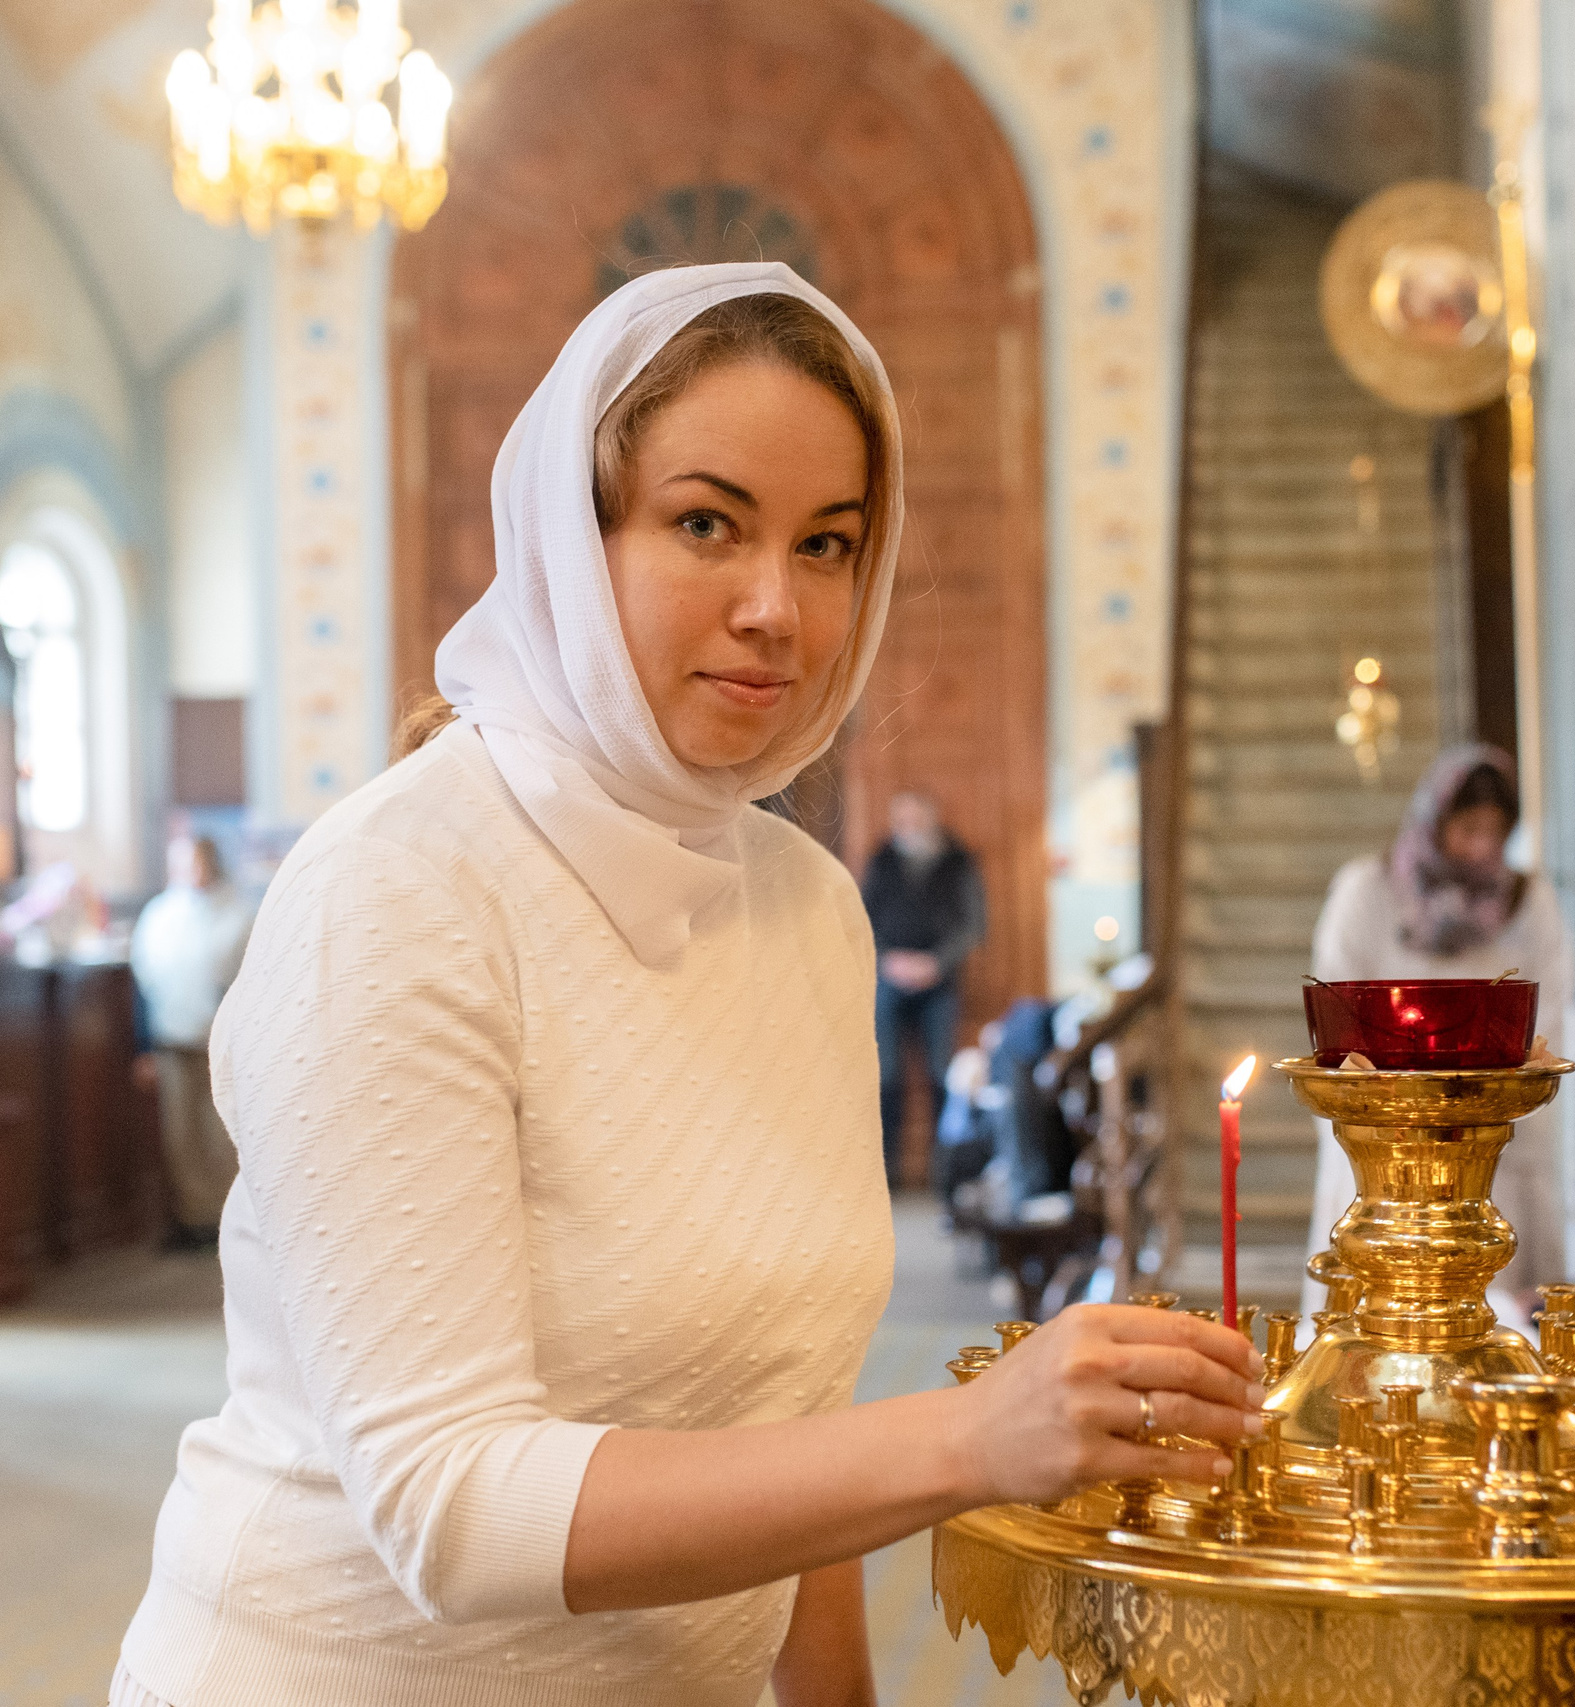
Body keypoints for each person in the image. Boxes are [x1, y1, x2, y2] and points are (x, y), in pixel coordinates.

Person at [112, 266, 1257, 1707]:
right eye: (706, 522)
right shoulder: (397, 890)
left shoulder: (810, 907)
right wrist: (968, 1438)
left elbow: (787, 1410)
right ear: (569, 544)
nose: (778, 607)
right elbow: (449, 1505)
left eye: (829, 543)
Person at [1300, 744, 1575, 1320]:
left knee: (1493, 1312)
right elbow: (1338, 1009)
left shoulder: (1529, 902)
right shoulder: (1368, 891)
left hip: (1489, 1125)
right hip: (1384, 1128)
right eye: (1468, 828)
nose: (1481, 847)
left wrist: (1471, 1088)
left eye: (1495, 832)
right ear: (1434, 821)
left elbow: (1544, 1013)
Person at [128, 833, 256, 1251]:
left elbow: (247, 983)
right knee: (180, 1137)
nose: (189, 871)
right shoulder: (160, 915)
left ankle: (227, 1223)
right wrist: (142, 1047)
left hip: (218, 1042)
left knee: (221, 1138)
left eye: (196, 862)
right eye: (181, 863)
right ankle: (192, 1218)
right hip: (171, 1038)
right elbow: (143, 984)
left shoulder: (239, 915)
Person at [862, 789, 984, 1183]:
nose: (907, 825)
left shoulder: (959, 861)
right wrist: (888, 960)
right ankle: (886, 1176)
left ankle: (944, 1175)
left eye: (915, 817)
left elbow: (973, 925)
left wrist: (936, 963)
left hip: (940, 983)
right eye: (902, 818)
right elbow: (862, 917)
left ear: (931, 818)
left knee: (940, 1076)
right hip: (888, 980)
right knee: (887, 1077)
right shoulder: (881, 860)